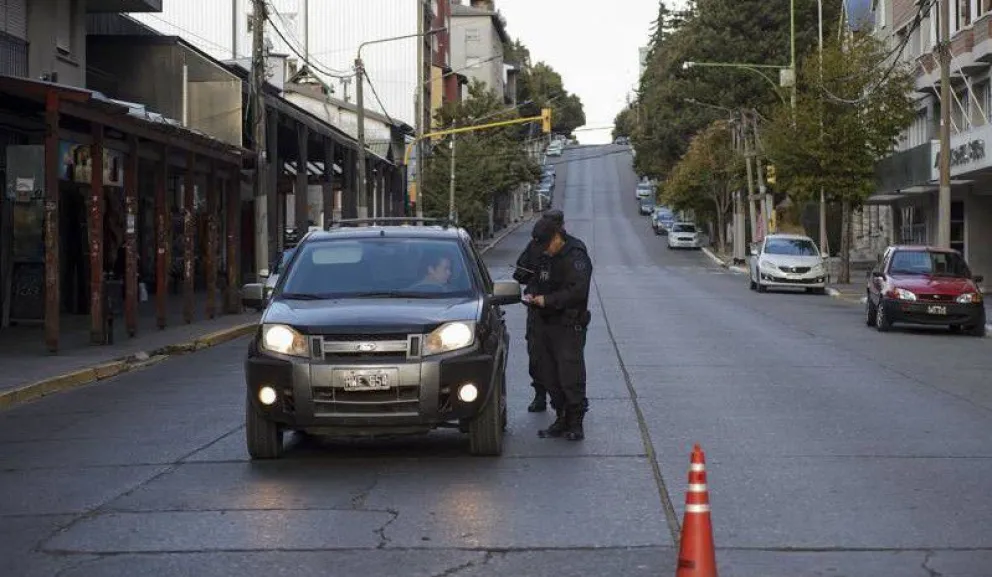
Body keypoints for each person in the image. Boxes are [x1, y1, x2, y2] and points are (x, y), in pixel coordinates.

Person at [524, 215, 593, 441]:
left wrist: (548, 300)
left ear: (556, 237)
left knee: (570, 374)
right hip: (544, 323)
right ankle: (561, 417)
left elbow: (577, 291)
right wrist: (532, 293)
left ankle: (575, 422)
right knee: (548, 374)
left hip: (568, 324)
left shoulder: (575, 254)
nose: (545, 250)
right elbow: (534, 278)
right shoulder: (545, 253)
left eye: (547, 244)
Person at [513, 210, 564, 413]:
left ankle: (562, 400)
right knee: (536, 355)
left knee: (561, 357)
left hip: (560, 311)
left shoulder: (567, 247)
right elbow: (520, 270)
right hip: (537, 311)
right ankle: (540, 394)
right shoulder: (534, 245)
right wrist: (529, 277)